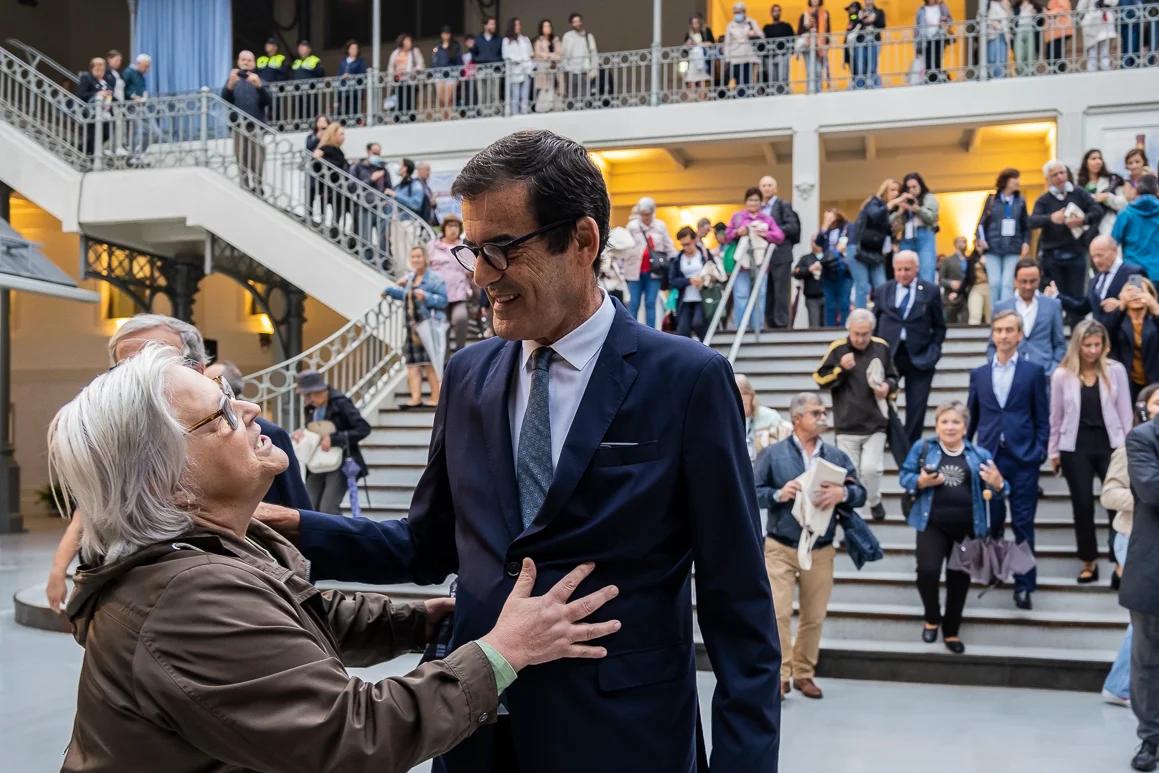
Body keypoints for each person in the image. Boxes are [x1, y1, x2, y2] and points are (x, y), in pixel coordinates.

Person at [259, 129, 782, 772]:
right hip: (473, 735)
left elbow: (739, 606)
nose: (481, 278)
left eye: (502, 250)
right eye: (472, 250)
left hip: (622, 740)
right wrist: (299, 526)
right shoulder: (469, 374)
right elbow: (431, 545)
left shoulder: (688, 379)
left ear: (583, 242)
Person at [51, 345, 621, 772]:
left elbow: (306, 617)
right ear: (167, 481)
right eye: (220, 414)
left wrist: (431, 618)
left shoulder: (202, 559)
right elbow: (354, 735)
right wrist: (502, 652)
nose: (249, 409)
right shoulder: (186, 596)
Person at [45, 314, 313, 613]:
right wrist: (59, 571)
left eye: (158, 358)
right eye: (126, 365)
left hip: (256, 597)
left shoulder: (260, 436)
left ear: (197, 370)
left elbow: (297, 521)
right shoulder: (122, 445)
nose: (140, 373)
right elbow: (94, 506)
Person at [756, 392, 866, 699]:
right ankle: (781, 674)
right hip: (780, 546)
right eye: (816, 413)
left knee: (813, 614)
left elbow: (860, 493)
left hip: (821, 546)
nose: (822, 417)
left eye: (823, 412)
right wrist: (779, 494)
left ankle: (804, 673)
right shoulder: (773, 453)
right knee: (777, 613)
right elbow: (752, 492)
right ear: (796, 419)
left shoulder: (836, 455)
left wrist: (842, 494)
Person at [900, 400, 1006, 654]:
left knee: (959, 579)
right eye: (944, 421)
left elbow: (1000, 491)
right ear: (936, 425)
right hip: (931, 524)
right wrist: (921, 482)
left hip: (968, 527)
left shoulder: (980, 455)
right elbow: (905, 477)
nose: (950, 427)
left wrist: (998, 484)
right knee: (927, 571)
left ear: (965, 428)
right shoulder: (923, 447)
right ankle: (932, 616)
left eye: (956, 422)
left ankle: (951, 630)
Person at [967, 309, 1050, 610]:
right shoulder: (978, 374)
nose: (1003, 335)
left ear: (1019, 334)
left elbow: (1043, 418)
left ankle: (1025, 584)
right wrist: (967, 453)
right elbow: (972, 419)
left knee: (1024, 522)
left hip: (1023, 458)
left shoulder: (1033, 372)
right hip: (990, 460)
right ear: (992, 334)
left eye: (1009, 330)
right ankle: (996, 570)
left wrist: (1039, 451)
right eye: (999, 330)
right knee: (994, 519)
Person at [1049, 319, 1133, 582]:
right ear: (1078, 345)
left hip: (1111, 444)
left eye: (1098, 345)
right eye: (1088, 345)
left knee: (1116, 503)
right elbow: (1056, 416)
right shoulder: (1062, 375)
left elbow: (1125, 411)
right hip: (1075, 446)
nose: (1093, 350)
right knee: (1082, 503)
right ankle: (1088, 560)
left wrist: (1130, 447)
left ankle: (1120, 561)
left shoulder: (1115, 370)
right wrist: (1053, 451)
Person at [1100, 382, 1159, 707]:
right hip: (1132, 537)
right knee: (1144, 618)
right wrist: (1145, 500)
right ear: (1143, 407)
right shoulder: (1132, 446)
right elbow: (1109, 494)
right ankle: (1120, 685)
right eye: (1157, 402)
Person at [813, 308, 897, 521]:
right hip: (846, 424)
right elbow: (819, 378)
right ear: (849, 330)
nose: (860, 339)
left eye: (865, 334)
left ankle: (875, 500)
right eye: (856, 334)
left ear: (872, 331)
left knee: (871, 470)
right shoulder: (838, 348)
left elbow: (893, 377)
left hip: (876, 422)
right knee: (850, 477)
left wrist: (887, 386)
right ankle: (854, 521)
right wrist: (841, 368)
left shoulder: (881, 347)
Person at [1120, 389, 1159, 772]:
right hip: (1154, 568)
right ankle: (1151, 738)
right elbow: (1151, 490)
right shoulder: (1143, 438)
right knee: (1147, 661)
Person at [873, 250, 946, 444]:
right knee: (886, 401)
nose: (903, 274)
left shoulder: (930, 291)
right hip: (890, 356)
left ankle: (910, 445)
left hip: (920, 356)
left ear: (917, 269)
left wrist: (934, 352)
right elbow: (875, 321)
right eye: (899, 269)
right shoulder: (883, 290)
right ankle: (891, 437)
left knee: (917, 406)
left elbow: (939, 326)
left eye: (907, 269)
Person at [1029, 159, 1105, 326]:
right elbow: (1031, 221)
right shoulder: (1044, 200)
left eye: (1062, 172)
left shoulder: (1079, 193)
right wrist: (1050, 218)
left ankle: (1077, 332)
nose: (1059, 177)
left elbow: (1097, 211)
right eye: (1054, 174)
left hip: (1077, 252)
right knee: (1057, 296)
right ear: (1048, 179)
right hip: (1053, 256)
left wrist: (1083, 219)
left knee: (1077, 296)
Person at [293, 369, 370, 515]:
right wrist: (302, 433)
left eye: (310, 395)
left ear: (321, 390)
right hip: (316, 461)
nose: (308, 399)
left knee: (328, 508)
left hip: (339, 462)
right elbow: (314, 429)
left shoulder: (340, 403)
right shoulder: (311, 407)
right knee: (307, 505)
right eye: (306, 395)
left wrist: (334, 438)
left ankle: (336, 537)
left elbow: (363, 428)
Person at [384, 246, 449, 409]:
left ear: (426, 258)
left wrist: (426, 296)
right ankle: (415, 398)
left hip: (428, 325)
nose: (416, 260)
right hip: (412, 326)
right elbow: (406, 296)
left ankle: (436, 398)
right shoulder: (410, 278)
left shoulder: (434, 278)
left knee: (430, 363)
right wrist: (390, 290)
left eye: (419, 256)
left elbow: (443, 301)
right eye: (413, 257)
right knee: (412, 364)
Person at [987, 259, 1066, 375]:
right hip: (1009, 373)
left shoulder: (1052, 305)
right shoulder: (1001, 307)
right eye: (1023, 281)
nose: (1028, 286)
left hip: (1044, 373)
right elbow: (992, 343)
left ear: (1039, 280)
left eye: (1033, 281)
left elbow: (1059, 343)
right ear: (1015, 281)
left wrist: (1053, 369)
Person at [1052, 233, 1147, 328]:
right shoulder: (1095, 280)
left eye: (1100, 255)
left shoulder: (1134, 272)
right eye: (1093, 257)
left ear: (1114, 251)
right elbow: (1082, 307)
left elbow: (1139, 302)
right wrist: (1057, 296)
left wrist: (1120, 304)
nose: (1096, 260)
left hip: (1125, 337)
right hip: (1101, 338)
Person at [726, 187, 786, 333]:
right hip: (741, 264)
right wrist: (738, 232)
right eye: (750, 200)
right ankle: (741, 328)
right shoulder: (738, 217)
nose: (753, 203)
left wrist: (765, 233)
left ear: (761, 202)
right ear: (746, 202)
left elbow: (780, 236)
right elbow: (727, 236)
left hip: (761, 263)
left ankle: (757, 327)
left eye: (756, 200)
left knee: (760, 295)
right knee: (741, 295)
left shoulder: (767, 218)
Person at [976, 167, 1032, 305]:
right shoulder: (992, 200)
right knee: (994, 283)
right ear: (1006, 181)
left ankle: (1006, 313)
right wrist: (981, 240)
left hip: (1013, 247)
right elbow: (981, 223)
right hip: (993, 248)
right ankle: (996, 313)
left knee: (1007, 283)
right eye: (1015, 179)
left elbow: (1026, 225)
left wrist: (1026, 242)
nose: (1018, 182)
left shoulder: (1020, 201)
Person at [221, 50, 271, 193]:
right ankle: (244, 186)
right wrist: (230, 84)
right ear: (238, 62)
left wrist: (259, 87)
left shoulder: (261, 81)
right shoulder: (232, 80)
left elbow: (268, 101)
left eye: (249, 60)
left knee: (258, 159)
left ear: (254, 63)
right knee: (241, 158)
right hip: (238, 127)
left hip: (256, 127)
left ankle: (258, 186)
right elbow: (225, 100)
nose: (246, 62)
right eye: (243, 59)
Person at [626, 196, 677, 329]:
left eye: (647, 214)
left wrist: (675, 261)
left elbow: (668, 246)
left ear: (652, 212)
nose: (645, 217)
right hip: (635, 271)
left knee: (650, 302)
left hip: (654, 271)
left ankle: (651, 332)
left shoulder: (660, 226)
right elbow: (625, 247)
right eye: (642, 214)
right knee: (634, 303)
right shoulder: (632, 226)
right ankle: (631, 332)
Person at [759, 176, 802, 328]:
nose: (767, 188)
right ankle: (769, 322)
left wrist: (771, 232)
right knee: (768, 290)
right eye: (764, 185)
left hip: (781, 254)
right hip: (763, 256)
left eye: (770, 185)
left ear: (775, 188)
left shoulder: (783, 205)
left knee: (781, 290)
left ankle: (782, 324)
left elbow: (792, 227)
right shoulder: (759, 209)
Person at [1107, 277, 1159, 402]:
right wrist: (1121, 306)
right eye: (1130, 291)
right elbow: (1105, 333)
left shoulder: (1155, 320)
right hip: (1126, 383)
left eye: (1140, 291)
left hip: (1154, 382)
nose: (1135, 295)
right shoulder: (1117, 320)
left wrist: (1155, 307)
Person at [428, 213, 473, 353]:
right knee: (442, 325)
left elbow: (471, 269)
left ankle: (460, 350)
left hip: (458, 293)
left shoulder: (463, 247)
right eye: (450, 226)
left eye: (456, 226)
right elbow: (425, 267)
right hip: (439, 294)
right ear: (444, 228)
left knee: (461, 318)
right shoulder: (432, 246)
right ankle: (445, 355)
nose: (453, 229)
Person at [849, 178, 897, 308]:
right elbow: (875, 215)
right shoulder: (874, 202)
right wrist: (890, 205)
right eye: (892, 190)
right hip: (858, 248)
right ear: (884, 191)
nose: (896, 194)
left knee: (881, 285)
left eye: (898, 191)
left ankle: (884, 316)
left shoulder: (893, 212)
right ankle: (860, 317)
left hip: (875, 251)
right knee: (862, 286)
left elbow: (889, 234)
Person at [669, 225, 719, 339]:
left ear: (695, 240)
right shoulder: (677, 259)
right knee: (682, 329)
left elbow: (715, 272)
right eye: (683, 245)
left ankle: (705, 349)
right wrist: (689, 281)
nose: (686, 247)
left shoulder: (705, 254)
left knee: (699, 323)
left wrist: (704, 280)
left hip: (703, 297)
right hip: (684, 299)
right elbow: (672, 281)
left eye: (688, 244)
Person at [892, 172, 940, 284]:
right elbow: (892, 224)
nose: (912, 190)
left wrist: (916, 208)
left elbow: (932, 217)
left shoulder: (928, 197)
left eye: (914, 187)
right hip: (906, 238)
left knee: (926, 272)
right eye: (908, 188)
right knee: (905, 272)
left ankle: (926, 300)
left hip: (924, 235)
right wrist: (900, 210)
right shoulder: (902, 200)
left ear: (920, 186)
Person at [351, 141, 393, 264]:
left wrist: (387, 199)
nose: (377, 156)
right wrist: (371, 179)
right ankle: (367, 264)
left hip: (382, 207)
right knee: (365, 239)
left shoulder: (383, 169)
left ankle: (384, 264)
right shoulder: (358, 167)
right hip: (365, 207)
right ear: (368, 152)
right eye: (375, 153)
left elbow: (389, 187)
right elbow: (352, 187)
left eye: (379, 153)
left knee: (383, 240)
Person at [736, 373, 790, 461]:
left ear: (751, 396)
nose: (738, 403)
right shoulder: (726, 421)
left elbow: (782, 447)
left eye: (742, 397)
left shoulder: (770, 417)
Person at [311, 122, 352, 239]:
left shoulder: (339, 152)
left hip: (339, 189)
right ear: (333, 134)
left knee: (339, 213)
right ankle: (330, 232)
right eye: (341, 134)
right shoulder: (325, 149)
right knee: (329, 213)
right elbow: (316, 163)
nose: (343, 137)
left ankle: (336, 232)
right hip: (328, 188)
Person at [1113, 174, 1159, 277]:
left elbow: (1113, 243)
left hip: (1134, 273)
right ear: (1157, 191)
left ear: (1136, 191)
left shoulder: (1125, 213)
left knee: (1135, 293)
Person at [1078, 148, 1128, 237]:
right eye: (1093, 159)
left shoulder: (1113, 180)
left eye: (1100, 158)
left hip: (1108, 227)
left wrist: (1107, 197)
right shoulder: (1080, 185)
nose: (1098, 161)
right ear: (1086, 163)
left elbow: (1123, 204)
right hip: (1087, 230)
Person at [815, 208, 853, 327]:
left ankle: (844, 327)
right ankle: (829, 328)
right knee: (829, 304)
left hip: (843, 270)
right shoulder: (826, 232)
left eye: (829, 217)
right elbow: (818, 242)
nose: (828, 220)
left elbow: (845, 245)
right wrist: (825, 226)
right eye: (825, 217)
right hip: (828, 271)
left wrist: (836, 251)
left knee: (844, 303)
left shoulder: (846, 228)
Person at [723, 2, 764, 97]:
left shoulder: (751, 22)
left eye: (739, 12)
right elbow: (727, 43)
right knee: (739, 83)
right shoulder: (730, 25)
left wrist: (752, 34)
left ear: (744, 12)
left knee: (748, 82)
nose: (737, 14)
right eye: (735, 12)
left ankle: (748, 101)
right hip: (735, 58)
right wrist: (727, 59)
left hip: (749, 57)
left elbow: (762, 36)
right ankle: (741, 100)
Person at [561, 13, 599, 106]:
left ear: (581, 22)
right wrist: (566, 67)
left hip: (585, 72)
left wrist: (594, 70)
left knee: (586, 98)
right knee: (572, 98)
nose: (577, 23)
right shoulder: (567, 36)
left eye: (579, 21)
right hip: (572, 72)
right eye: (575, 22)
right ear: (571, 24)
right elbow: (563, 54)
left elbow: (594, 54)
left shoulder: (588, 36)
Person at [76, 57, 111, 155]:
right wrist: (98, 94)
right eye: (98, 66)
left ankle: (83, 149)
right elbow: (81, 94)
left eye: (102, 66)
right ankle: (91, 156)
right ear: (92, 67)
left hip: (104, 113)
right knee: (94, 135)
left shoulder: (104, 81)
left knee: (106, 134)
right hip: (91, 113)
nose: (101, 69)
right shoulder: (86, 78)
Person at [914, 0, 954, 83]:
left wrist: (945, 20)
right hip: (926, 39)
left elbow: (950, 21)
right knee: (928, 62)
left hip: (939, 37)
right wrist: (917, 46)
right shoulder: (921, 9)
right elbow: (917, 27)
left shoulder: (942, 6)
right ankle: (931, 81)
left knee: (937, 60)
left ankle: (936, 81)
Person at [122, 53, 152, 156]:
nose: (147, 69)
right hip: (131, 107)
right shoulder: (129, 72)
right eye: (146, 66)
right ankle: (135, 155)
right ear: (139, 63)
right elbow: (122, 88)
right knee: (138, 131)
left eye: (148, 66)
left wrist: (144, 95)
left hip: (142, 107)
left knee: (154, 132)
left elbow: (142, 89)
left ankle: (140, 153)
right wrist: (133, 96)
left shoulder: (141, 76)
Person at [502, 18, 534, 115]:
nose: (518, 27)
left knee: (525, 94)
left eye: (519, 25)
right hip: (514, 70)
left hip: (526, 69)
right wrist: (518, 59)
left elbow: (530, 52)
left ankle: (524, 113)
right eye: (516, 25)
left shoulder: (525, 39)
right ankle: (515, 114)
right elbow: (506, 55)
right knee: (515, 95)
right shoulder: (506, 40)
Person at [1076, 0, 1118, 71]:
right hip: (1103, 20)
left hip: (1094, 20)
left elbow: (1080, 8)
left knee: (1093, 51)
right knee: (1104, 50)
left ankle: (1093, 72)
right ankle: (1105, 69)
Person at [764, 5, 796, 94]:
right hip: (770, 57)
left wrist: (791, 52)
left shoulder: (786, 26)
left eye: (778, 11)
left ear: (780, 12)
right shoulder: (767, 28)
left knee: (783, 78)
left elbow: (792, 38)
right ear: (771, 13)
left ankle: (784, 96)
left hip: (783, 55)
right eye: (774, 11)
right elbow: (762, 42)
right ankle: (774, 98)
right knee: (772, 79)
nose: (776, 12)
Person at [938, 237, 972, 324]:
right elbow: (941, 279)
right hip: (951, 298)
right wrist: (950, 283)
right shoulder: (947, 260)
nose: (964, 244)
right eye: (961, 242)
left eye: (965, 242)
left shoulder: (970, 260)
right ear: (955, 244)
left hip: (967, 296)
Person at [792, 242, 826, 327]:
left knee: (828, 325)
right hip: (812, 297)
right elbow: (796, 273)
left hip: (828, 296)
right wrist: (809, 269)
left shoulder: (828, 256)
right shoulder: (805, 258)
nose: (816, 243)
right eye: (814, 241)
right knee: (814, 325)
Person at [532, 19, 562, 112]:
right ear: (541, 28)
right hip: (544, 73)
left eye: (549, 26)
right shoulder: (538, 41)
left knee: (557, 91)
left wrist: (547, 55)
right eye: (545, 26)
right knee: (544, 91)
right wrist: (550, 56)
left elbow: (560, 54)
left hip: (555, 72)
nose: (547, 28)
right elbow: (537, 55)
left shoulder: (555, 40)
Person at [683, 13, 716, 97]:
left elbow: (711, 43)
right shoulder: (689, 34)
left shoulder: (705, 31)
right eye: (694, 23)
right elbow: (684, 50)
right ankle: (692, 99)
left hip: (703, 60)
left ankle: (703, 98)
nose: (696, 25)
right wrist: (689, 44)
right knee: (691, 80)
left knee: (702, 80)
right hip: (693, 61)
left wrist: (701, 44)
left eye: (697, 23)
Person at [291, 39, 325, 120]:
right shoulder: (296, 62)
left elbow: (321, 75)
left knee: (311, 112)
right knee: (298, 111)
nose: (301, 49)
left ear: (309, 49)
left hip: (310, 92)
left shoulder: (315, 60)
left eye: (303, 47)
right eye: (300, 47)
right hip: (298, 92)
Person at [1043, 0, 1076, 72]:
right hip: (1053, 33)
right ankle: (1054, 72)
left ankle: (1058, 73)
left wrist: (1049, 13)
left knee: (1057, 56)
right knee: (1052, 56)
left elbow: (1064, 9)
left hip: (1059, 31)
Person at [337, 39, 366, 121]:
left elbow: (362, 74)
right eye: (352, 48)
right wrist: (343, 77)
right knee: (343, 110)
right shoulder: (343, 62)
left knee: (354, 110)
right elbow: (338, 74)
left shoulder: (360, 61)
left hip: (355, 91)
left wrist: (351, 77)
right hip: (343, 91)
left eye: (356, 48)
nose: (354, 50)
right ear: (348, 49)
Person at [1013, 0, 1043, 75]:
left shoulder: (1035, 6)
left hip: (1031, 31)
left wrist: (1035, 14)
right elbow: (1012, 21)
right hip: (1019, 31)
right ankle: (1021, 76)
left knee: (1031, 57)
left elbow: (1041, 22)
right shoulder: (1016, 6)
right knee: (1019, 57)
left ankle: (1030, 76)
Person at [984, 0, 1014, 78]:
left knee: (1002, 59)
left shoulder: (1006, 3)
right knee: (992, 59)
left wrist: (1007, 7)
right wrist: (993, 23)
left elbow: (1011, 19)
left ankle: (999, 78)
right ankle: (993, 78)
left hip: (1003, 35)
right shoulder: (989, 3)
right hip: (992, 34)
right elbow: (984, 17)